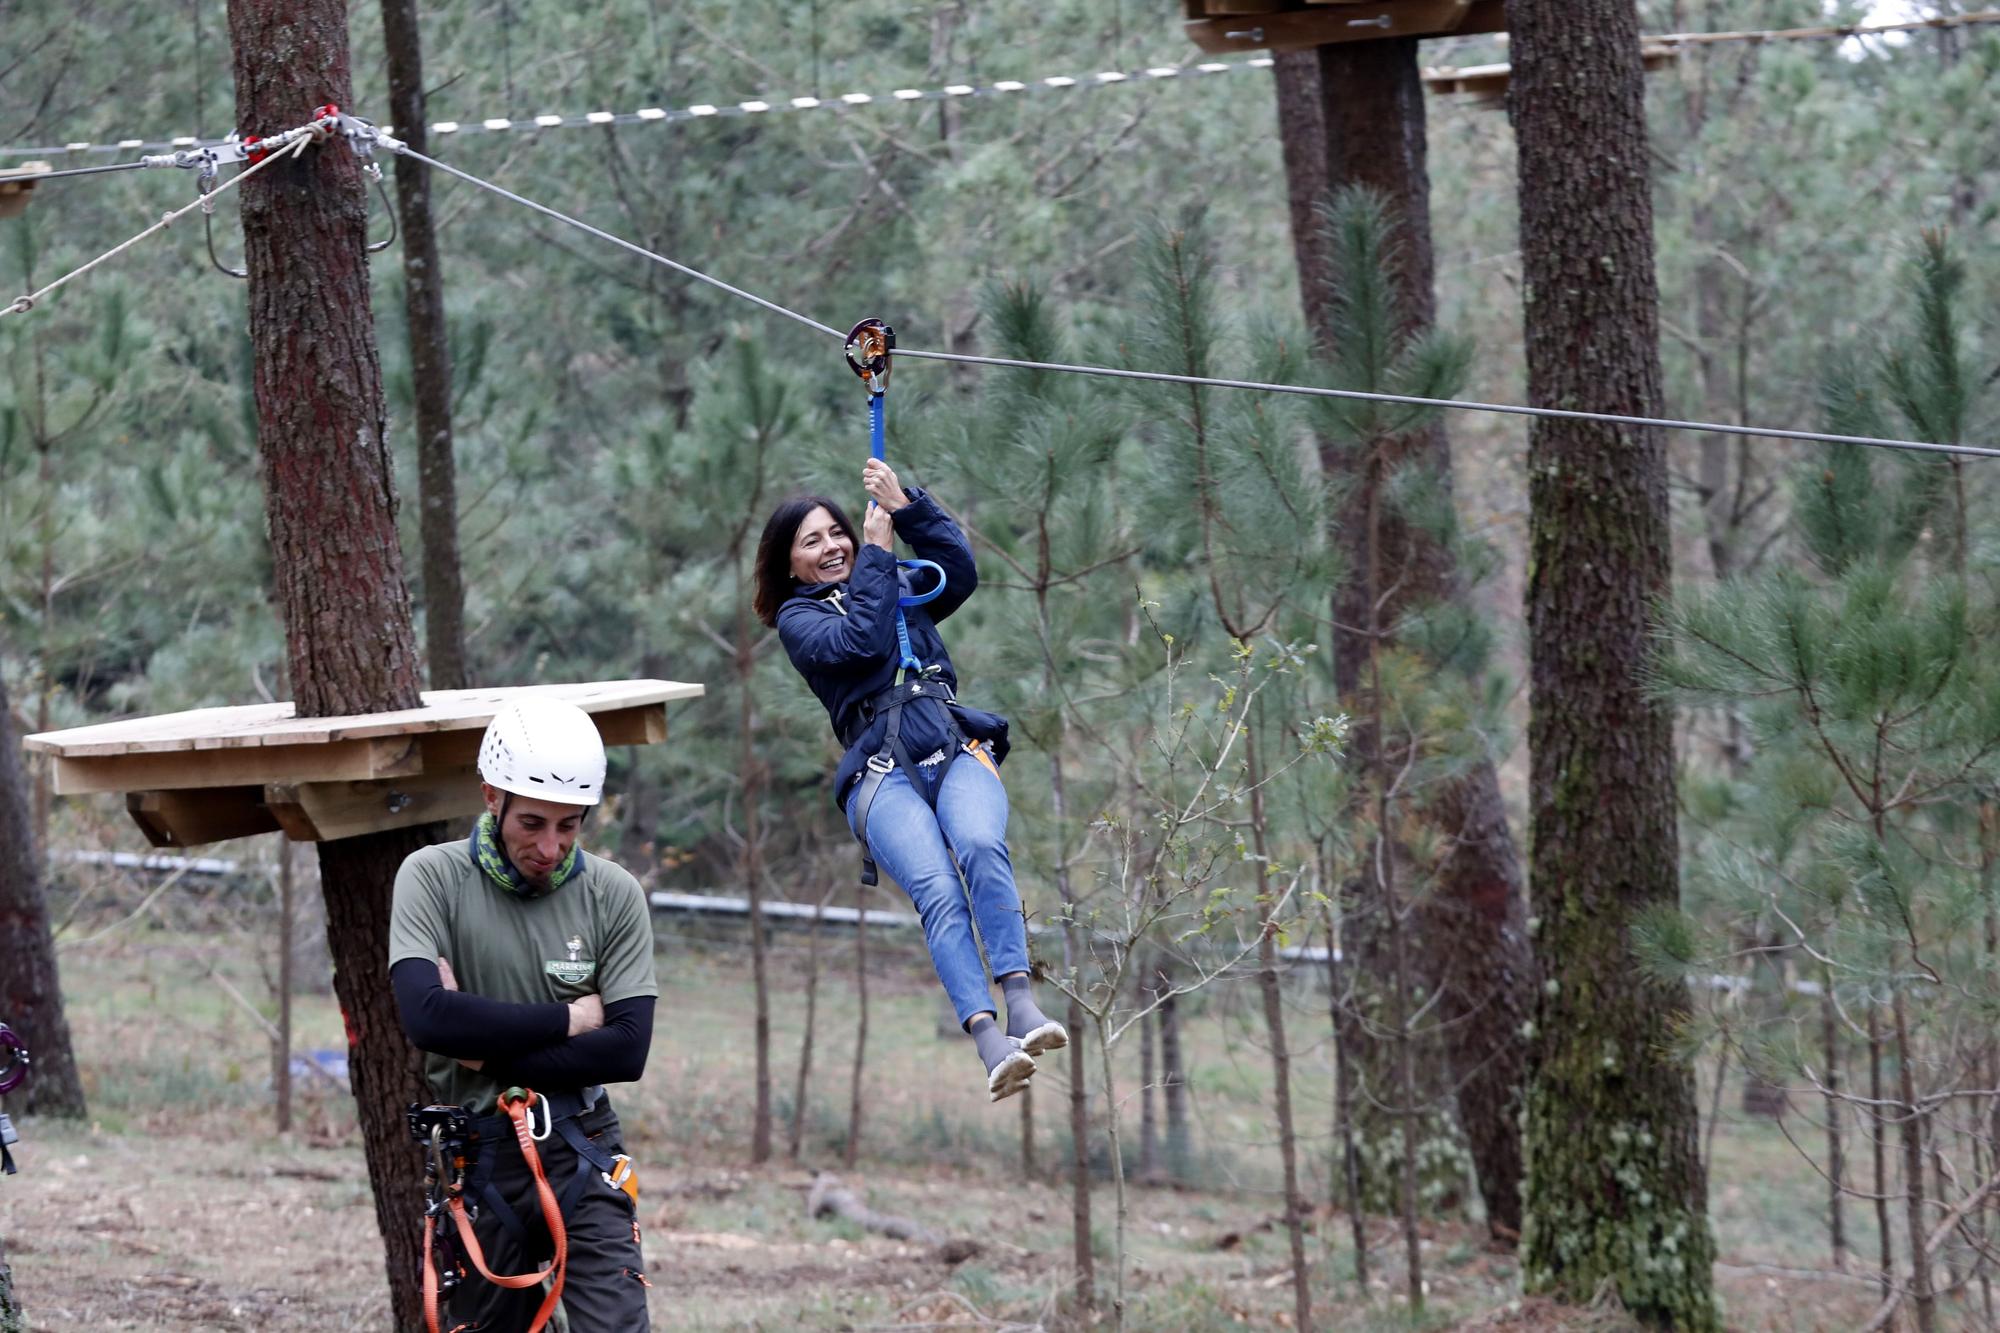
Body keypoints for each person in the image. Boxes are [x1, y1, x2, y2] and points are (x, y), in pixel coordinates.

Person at [754, 457, 1065, 1101]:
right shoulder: (798, 622)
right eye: (811, 542)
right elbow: (862, 644)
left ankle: (1022, 1001)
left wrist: (908, 506)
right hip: (879, 770)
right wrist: (873, 552)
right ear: (789, 566)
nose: (831, 546)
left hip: (949, 742)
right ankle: (988, 1041)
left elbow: (959, 574)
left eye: (836, 532)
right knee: (937, 888)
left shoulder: (889, 574)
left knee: (980, 845)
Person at [389, 696, 657, 1333]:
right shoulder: (430, 879)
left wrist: (482, 1046)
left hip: (581, 1144)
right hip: (476, 1154)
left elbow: (626, 1051)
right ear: (492, 797)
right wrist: (570, 1021)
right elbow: (426, 1017)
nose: (550, 846)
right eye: (532, 823)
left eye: (569, 826)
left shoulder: (612, 894)